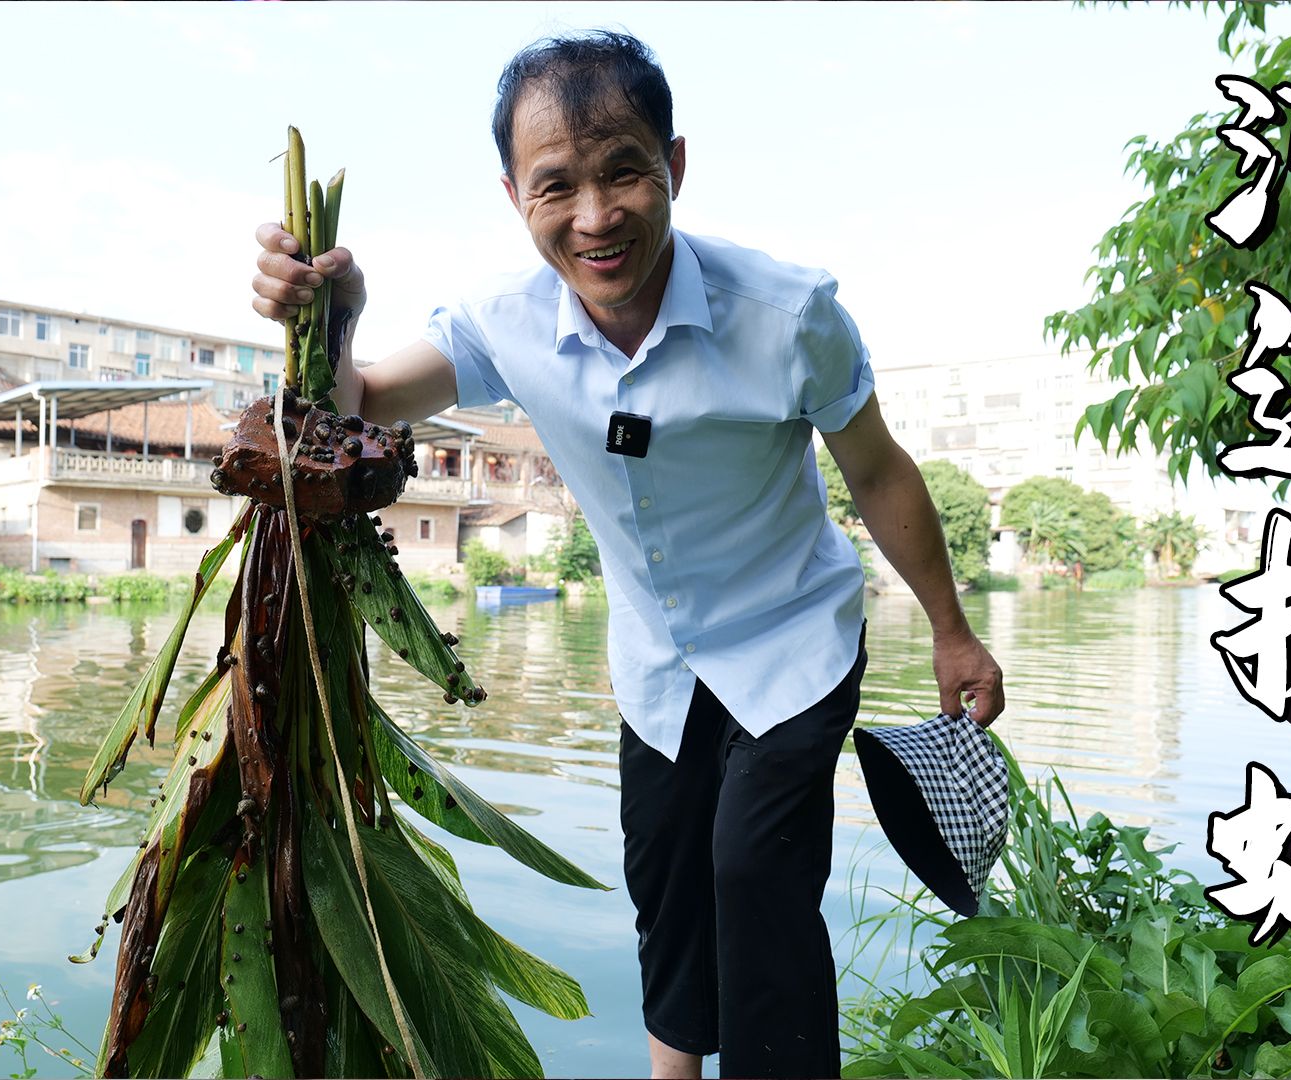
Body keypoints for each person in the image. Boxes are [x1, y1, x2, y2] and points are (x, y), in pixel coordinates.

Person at [251, 30, 1005, 1080]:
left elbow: (878, 470)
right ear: (515, 195)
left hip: (793, 641)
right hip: (656, 664)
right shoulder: (501, 323)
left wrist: (953, 632)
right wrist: (337, 314)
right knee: (666, 890)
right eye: (556, 185)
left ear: (675, 168)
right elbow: (357, 403)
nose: (596, 217)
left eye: (624, 173)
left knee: (755, 880)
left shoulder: (788, 315)